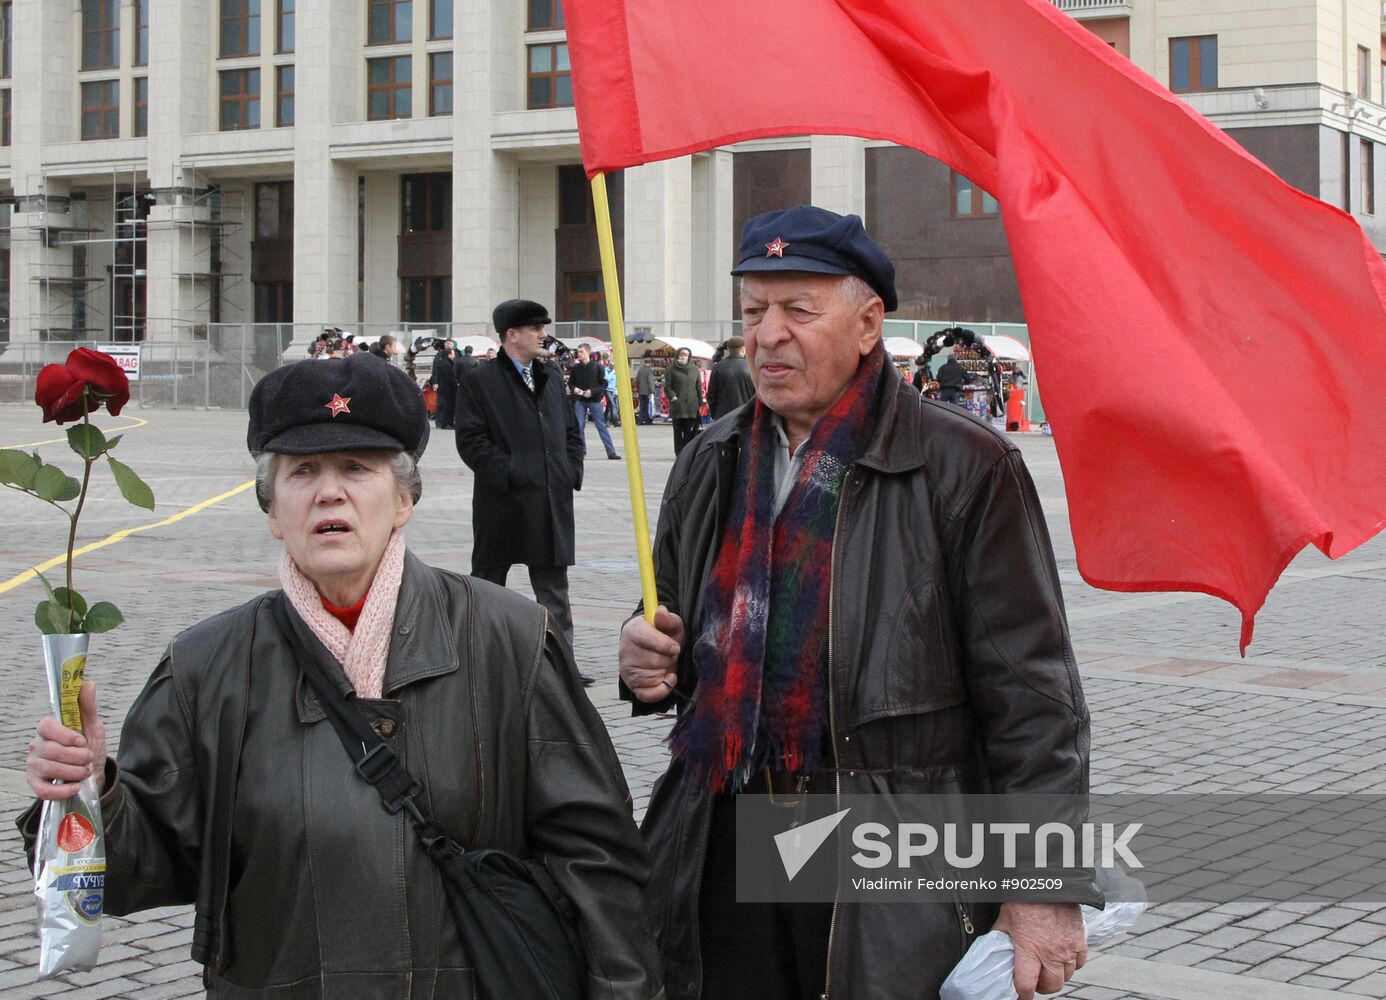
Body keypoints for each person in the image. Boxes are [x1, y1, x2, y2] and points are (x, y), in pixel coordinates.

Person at [22, 351, 662, 998]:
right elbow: (135, 871)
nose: (330, 490)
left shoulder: (511, 640)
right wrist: (89, 793)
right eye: (303, 471)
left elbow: (598, 861)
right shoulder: (204, 667)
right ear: (274, 512)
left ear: (404, 499)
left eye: (357, 467)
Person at [617, 205, 1094, 1000]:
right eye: (752, 311)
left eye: (797, 311)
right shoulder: (712, 455)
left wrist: (1042, 886)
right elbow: (669, 620)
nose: (767, 335)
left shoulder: (961, 466)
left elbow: (1035, 697)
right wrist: (644, 654)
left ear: (869, 322)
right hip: (723, 827)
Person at [455, 299, 595, 686]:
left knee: (554, 589)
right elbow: (471, 441)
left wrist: (571, 468)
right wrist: (513, 472)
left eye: (543, 328)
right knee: (486, 585)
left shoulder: (551, 377)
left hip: (550, 498)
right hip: (502, 502)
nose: (542, 335)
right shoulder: (480, 381)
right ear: (511, 335)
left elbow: (571, 431)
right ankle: (476, 661)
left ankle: (561, 663)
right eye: (535, 329)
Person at [569, 343, 621, 460]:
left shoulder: (597, 367)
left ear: (588, 352)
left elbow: (604, 384)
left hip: (594, 401)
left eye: (581, 351)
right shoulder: (576, 368)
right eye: (578, 352)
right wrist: (574, 389)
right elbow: (571, 383)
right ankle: (581, 451)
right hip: (580, 400)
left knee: (601, 426)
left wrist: (592, 391)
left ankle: (611, 451)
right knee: (579, 426)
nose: (579, 354)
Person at [705, 335, 756, 420]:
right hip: (746, 414)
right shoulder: (751, 366)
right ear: (743, 349)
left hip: (722, 416)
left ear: (728, 349)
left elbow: (711, 394)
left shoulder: (718, 367)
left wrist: (715, 414)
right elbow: (756, 393)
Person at [664, 347, 703, 455]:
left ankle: (686, 454)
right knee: (677, 432)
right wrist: (673, 397)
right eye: (681, 355)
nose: (683, 357)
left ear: (689, 357)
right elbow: (667, 387)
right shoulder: (671, 369)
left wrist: (701, 402)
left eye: (685, 355)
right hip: (678, 407)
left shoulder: (695, 369)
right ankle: (678, 453)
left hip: (691, 407)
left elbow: (698, 387)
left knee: (688, 432)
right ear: (677, 356)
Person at [428, 343, 459, 430]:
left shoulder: (444, 362)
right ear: (449, 355)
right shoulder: (447, 364)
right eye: (453, 354)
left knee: (443, 404)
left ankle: (442, 422)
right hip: (448, 388)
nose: (454, 356)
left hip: (444, 387)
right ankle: (446, 423)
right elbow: (450, 376)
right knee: (446, 405)